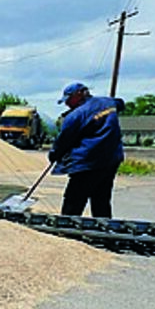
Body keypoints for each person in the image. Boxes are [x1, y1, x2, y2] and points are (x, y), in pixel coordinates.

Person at [48, 82, 125, 218]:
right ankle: (104, 228)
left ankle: (67, 228)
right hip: (110, 161)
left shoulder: (75, 116)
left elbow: (63, 141)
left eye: (69, 100)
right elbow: (121, 103)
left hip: (86, 163)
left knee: (73, 202)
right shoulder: (109, 103)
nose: (67, 104)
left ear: (79, 94)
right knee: (101, 199)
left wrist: (54, 155)